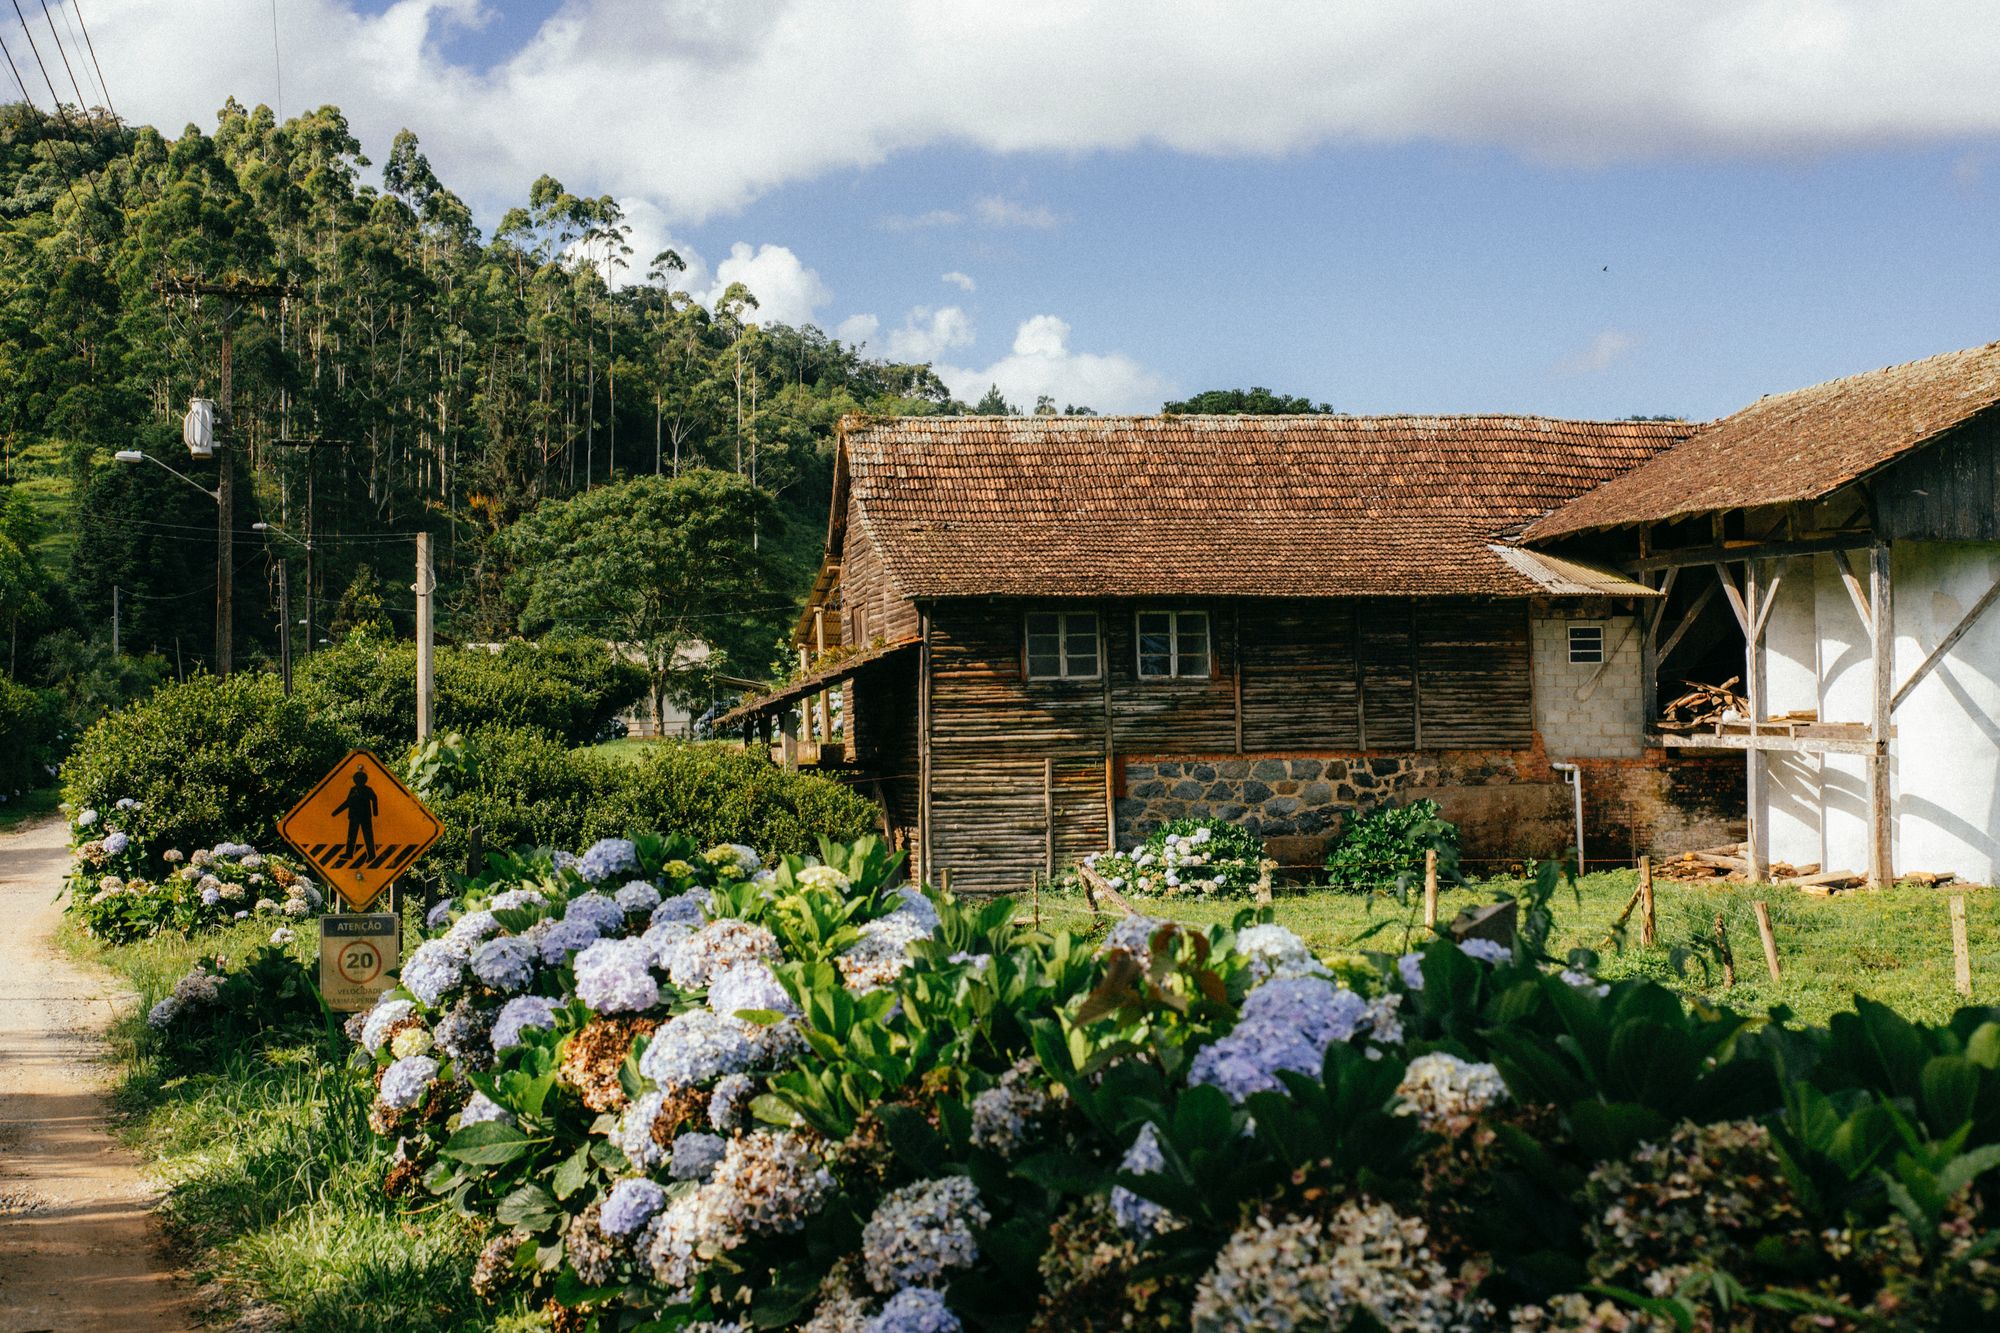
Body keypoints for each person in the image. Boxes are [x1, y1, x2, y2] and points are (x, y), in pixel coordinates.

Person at [332, 766, 379, 862]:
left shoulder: (368, 789)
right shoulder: (353, 790)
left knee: (368, 836)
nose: (358, 781)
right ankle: (349, 854)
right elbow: (348, 802)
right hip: (354, 816)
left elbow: (374, 798)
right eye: (357, 779)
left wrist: (375, 812)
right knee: (351, 836)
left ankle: (371, 855)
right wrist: (336, 812)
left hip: (365, 816)